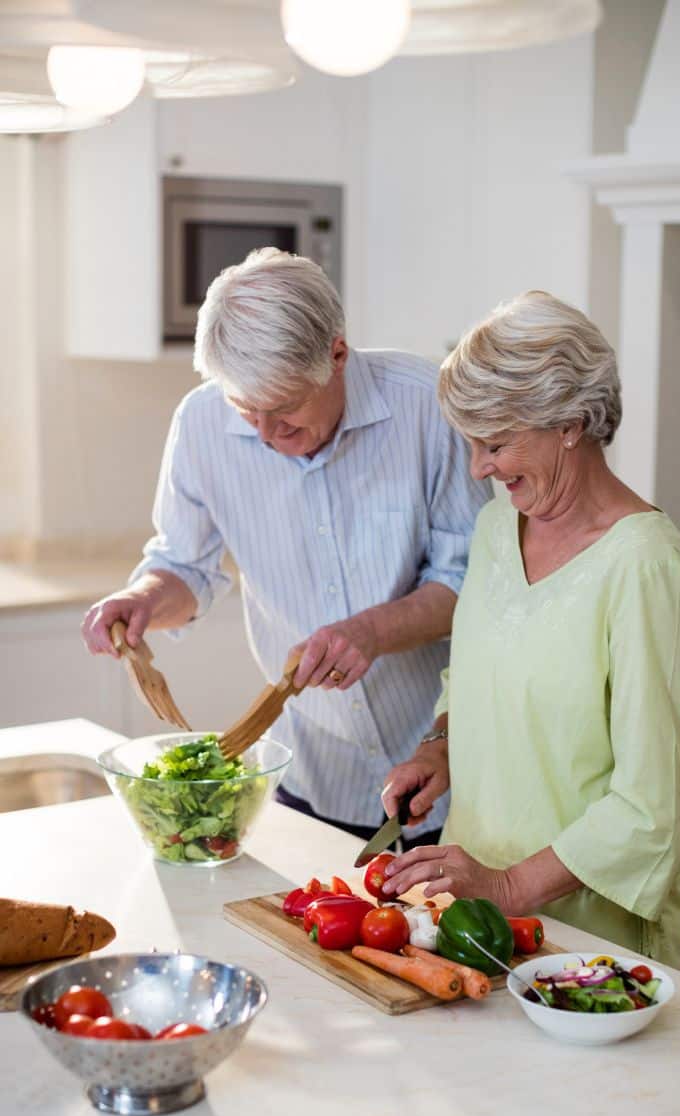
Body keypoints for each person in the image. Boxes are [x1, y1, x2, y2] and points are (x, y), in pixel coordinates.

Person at [82, 249, 491, 843]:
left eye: (286, 412)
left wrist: (370, 632)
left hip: (443, 763)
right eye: (246, 412)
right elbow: (183, 566)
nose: (268, 437)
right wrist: (144, 598)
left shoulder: (427, 404)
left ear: (338, 355)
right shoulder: (199, 424)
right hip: (308, 767)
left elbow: (470, 584)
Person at [379, 290, 680, 966]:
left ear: (570, 421)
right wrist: (440, 747)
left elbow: (652, 809)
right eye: (471, 443)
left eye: (496, 443)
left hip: (590, 950)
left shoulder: (646, 568)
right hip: (475, 923)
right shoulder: (498, 527)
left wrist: (508, 885)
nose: (479, 467)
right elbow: (473, 672)